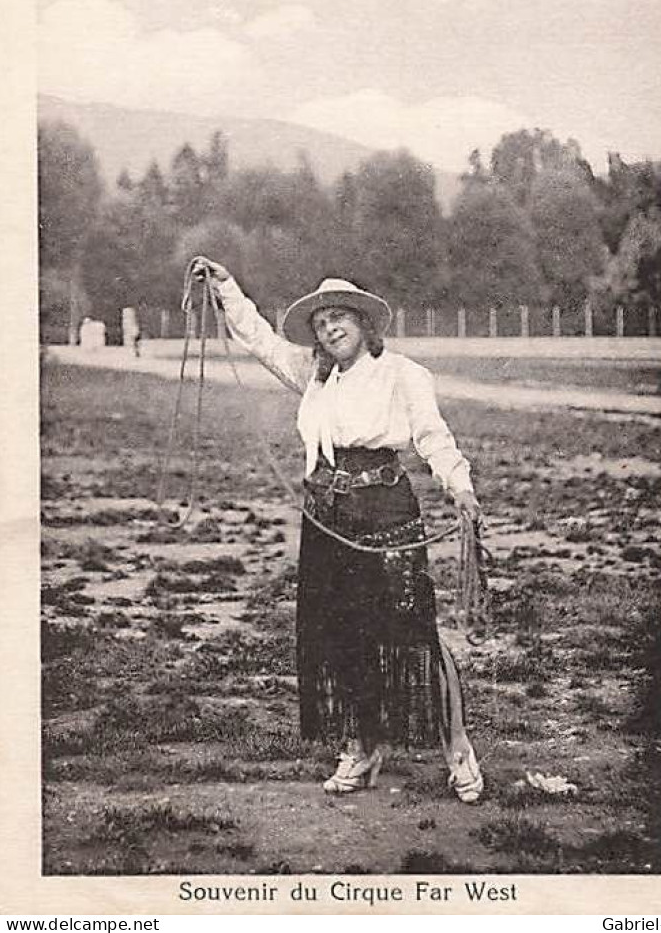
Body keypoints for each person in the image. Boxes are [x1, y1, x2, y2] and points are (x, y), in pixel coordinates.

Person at [192, 257, 485, 803]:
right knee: (342, 635)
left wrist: (459, 486)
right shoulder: (314, 376)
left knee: (411, 632)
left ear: (364, 322)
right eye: (321, 321)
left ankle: (459, 751)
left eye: (339, 317)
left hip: (386, 511)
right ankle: (362, 749)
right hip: (325, 516)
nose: (330, 327)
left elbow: (433, 435)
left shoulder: (403, 374)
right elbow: (258, 337)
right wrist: (226, 287)